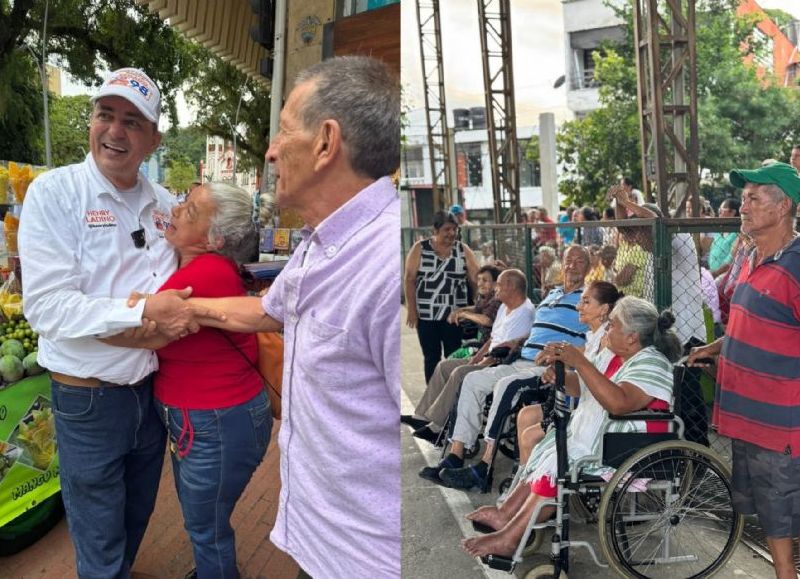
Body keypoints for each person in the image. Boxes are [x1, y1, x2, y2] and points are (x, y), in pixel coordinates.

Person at [171, 56, 400, 578]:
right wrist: (183, 306)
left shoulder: (382, 263)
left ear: (325, 142)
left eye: (282, 133)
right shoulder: (320, 243)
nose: (271, 151)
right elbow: (266, 311)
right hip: (319, 540)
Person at [18, 68, 222, 578]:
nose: (115, 131)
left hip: (151, 393)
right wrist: (143, 311)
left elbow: (192, 275)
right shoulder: (55, 193)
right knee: (98, 533)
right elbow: (46, 306)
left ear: (154, 138)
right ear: (91, 121)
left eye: (132, 122)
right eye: (105, 115)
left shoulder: (165, 205)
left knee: (136, 515)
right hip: (87, 400)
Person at [104, 183, 268, 579]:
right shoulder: (193, 267)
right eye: (182, 202)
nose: (175, 211)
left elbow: (143, 330)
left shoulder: (204, 274)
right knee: (206, 523)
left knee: (206, 529)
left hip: (215, 422)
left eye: (190, 211)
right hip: (211, 420)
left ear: (215, 239)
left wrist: (75, 322)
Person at [463, 296, 680, 558]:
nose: (607, 329)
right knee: (551, 450)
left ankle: (510, 537)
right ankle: (505, 514)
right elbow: (588, 386)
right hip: (603, 437)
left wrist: (580, 362)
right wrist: (562, 377)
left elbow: (619, 403)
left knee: (561, 462)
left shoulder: (652, 362)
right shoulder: (616, 356)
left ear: (632, 337)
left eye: (612, 325)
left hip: (627, 446)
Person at [688, 162, 800, 579]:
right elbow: (746, 322)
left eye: (754, 198)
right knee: (773, 517)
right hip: (748, 419)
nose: (742, 206)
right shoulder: (751, 257)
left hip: (781, 422)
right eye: (744, 197)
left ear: (784, 206)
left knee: (784, 512)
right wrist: (714, 347)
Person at [423, 245, 591, 490]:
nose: (573, 265)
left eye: (579, 261)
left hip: (549, 367)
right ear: (562, 263)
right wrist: (516, 342)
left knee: (505, 385)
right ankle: (456, 454)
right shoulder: (550, 296)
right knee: (472, 380)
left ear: (588, 267)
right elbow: (536, 331)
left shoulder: (587, 299)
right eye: (569, 260)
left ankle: (484, 466)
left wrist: (560, 354)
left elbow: (592, 340)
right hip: (521, 359)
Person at [403, 269, 535, 448]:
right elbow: (492, 339)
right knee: (444, 366)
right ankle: (421, 417)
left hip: (499, 363)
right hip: (486, 357)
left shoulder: (525, 312)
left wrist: (481, 362)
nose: (496, 288)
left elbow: (506, 351)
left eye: (499, 284)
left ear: (511, 287)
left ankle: (436, 426)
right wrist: (476, 358)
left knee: (459, 373)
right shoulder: (504, 306)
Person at [405, 210, 479, 382]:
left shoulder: (463, 250)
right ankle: (432, 397)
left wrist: (475, 305)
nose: (452, 233)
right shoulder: (420, 248)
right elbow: (409, 279)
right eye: (447, 229)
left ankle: (451, 396)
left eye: (455, 229)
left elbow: (476, 278)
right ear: (435, 230)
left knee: (454, 356)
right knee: (431, 357)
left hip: (454, 316)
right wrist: (411, 310)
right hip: (426, 315)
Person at [708, 197, 741, 277]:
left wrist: (716, 273)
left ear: (732, 212)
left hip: (726, 275)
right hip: (712, 273)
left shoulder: (737, 234)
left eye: (721, 210)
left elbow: (731, 259)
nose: (719, 213)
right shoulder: (719, 233)